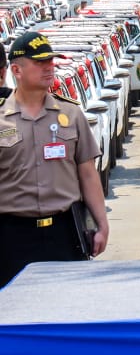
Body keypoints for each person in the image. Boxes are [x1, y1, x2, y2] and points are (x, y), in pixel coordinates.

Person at [0, 32, 109, 290]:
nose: (49, 67)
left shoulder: (70, 113)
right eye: (39, 62)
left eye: (50, 61)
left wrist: (102, 224)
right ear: (16, 69)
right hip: (12, 235)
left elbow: (88, 175)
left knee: (68, 308)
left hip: (64, 233)